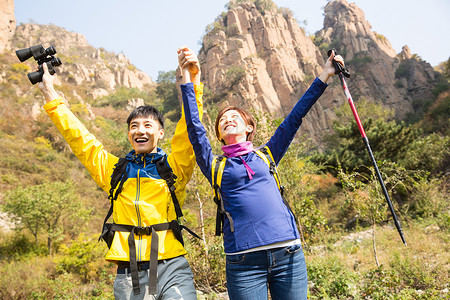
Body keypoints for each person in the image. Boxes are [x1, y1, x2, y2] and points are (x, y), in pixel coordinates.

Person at [37, 47, 203, 299]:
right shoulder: (115, 170)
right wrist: (49, 92)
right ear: (128, 134)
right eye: (134, 126)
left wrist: (193, 83)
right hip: (130, 272)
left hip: (172, 266)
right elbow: (80, 140)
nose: (140, 130)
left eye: (148, 125)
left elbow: (190, 129)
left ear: (160, 133)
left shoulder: (173, 167)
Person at [179, 49, 344, 299]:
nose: (227, 119)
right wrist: (188, 78)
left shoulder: (266, 154)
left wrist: (325, 74)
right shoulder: (215, 166)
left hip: (288, 253)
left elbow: (295, 116)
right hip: (243, 262)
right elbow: (194, 126)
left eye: (234, 117)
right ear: (219, 135)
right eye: (222, 120)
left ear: (249, 128)